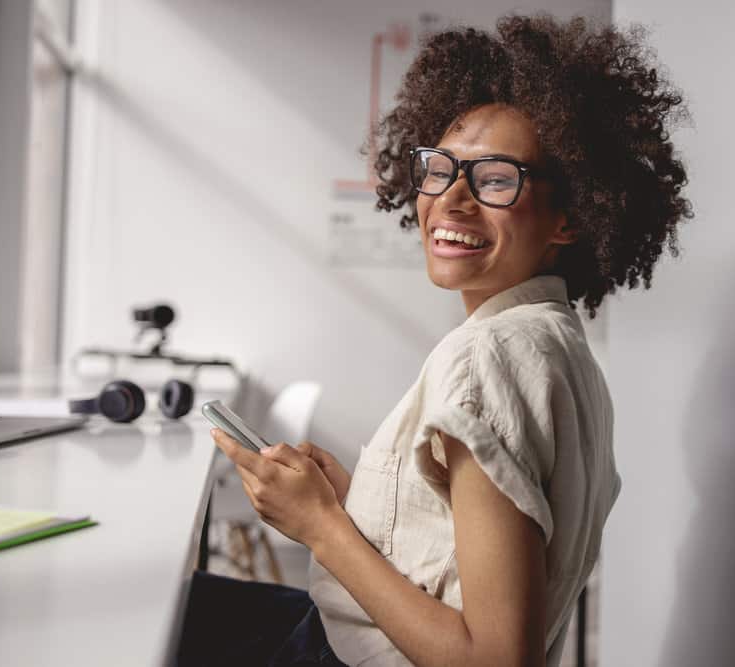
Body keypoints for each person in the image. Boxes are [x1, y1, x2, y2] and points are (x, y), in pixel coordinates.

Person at [177, 13, 692, 667]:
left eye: (497, 179)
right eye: (440, 167)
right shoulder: (558, 344)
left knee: (144, 615)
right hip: (345, 632)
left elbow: (500, 657)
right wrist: (349, 504)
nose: (452, 199)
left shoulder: (490, 360)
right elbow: (451, 550)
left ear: (569, 216)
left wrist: (321, 528)